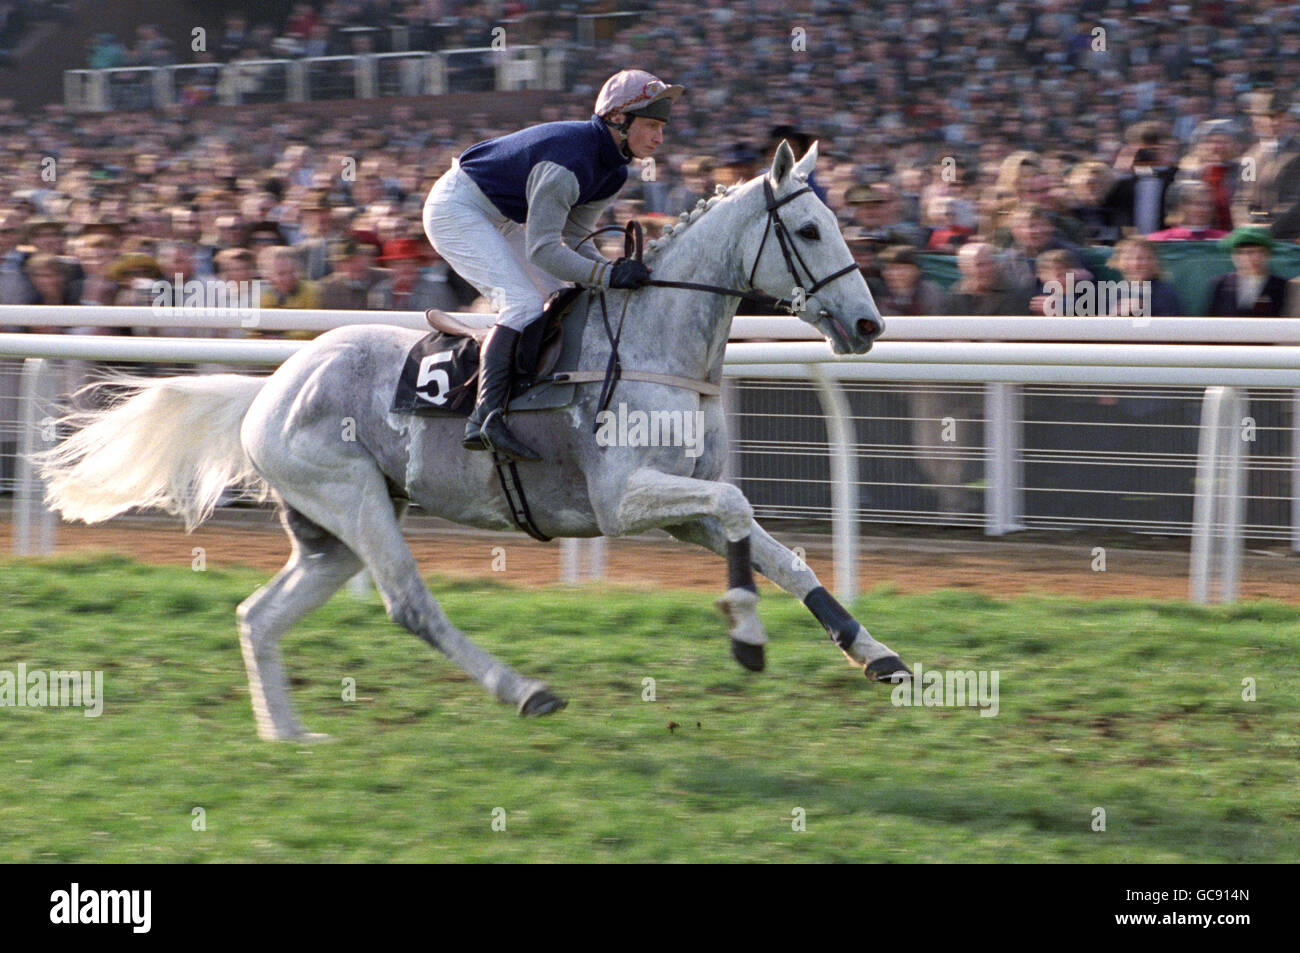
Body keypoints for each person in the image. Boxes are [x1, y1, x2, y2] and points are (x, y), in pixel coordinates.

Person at [423, 69, 682, 462]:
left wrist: (616, 269)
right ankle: (484, 416)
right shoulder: (570, 162)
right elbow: (544, 250)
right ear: (617, 119)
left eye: (662, 126)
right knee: (523, 304)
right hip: (456, 208)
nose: (659, 137)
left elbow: (575, 239)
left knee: (563, 294)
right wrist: (609, 275)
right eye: (650, 125)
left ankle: (529, 399)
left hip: (501, 215)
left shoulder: (613, 171)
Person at [1231, 90, 1300, 239]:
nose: (1273, 122)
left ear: (1288, 118)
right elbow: (1241, 198)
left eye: (1279, 116)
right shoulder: (1250, 157)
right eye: (1267, 117)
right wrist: (1245, 227)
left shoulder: (1297, 153)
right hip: (1256, 239)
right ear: (1255, 119)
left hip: (1291, 238)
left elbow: (1296, 201)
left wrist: (1268, 229)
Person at [1208, 227, 1288, 317]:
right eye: (1242, 253)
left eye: (1257, 252)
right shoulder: (1221, 284)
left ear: (1267, 254)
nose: (1250, 258)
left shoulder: (1281, 286)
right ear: (1233, 256)